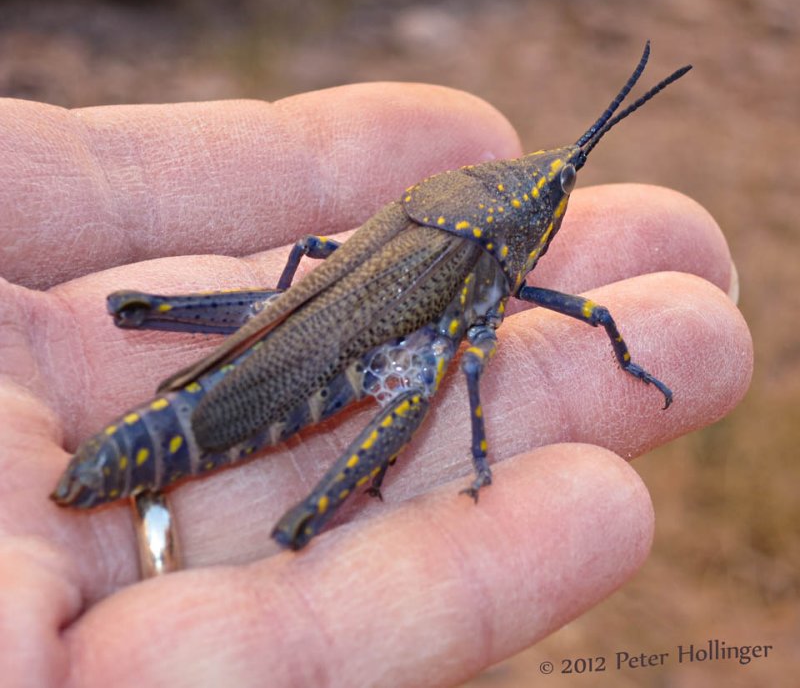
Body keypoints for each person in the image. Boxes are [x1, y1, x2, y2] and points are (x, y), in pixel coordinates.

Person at [0, 84, 751, 686]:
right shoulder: (481, 247)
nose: (556, 204)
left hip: (331, 337)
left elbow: (321, 258)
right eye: (555, 195)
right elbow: (480, 356)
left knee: (356, 303)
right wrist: (481, 452)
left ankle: (182, 447)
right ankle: (226, 479)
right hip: (339, 360)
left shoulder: (447, 198)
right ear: (523, 221)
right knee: (434, 373)